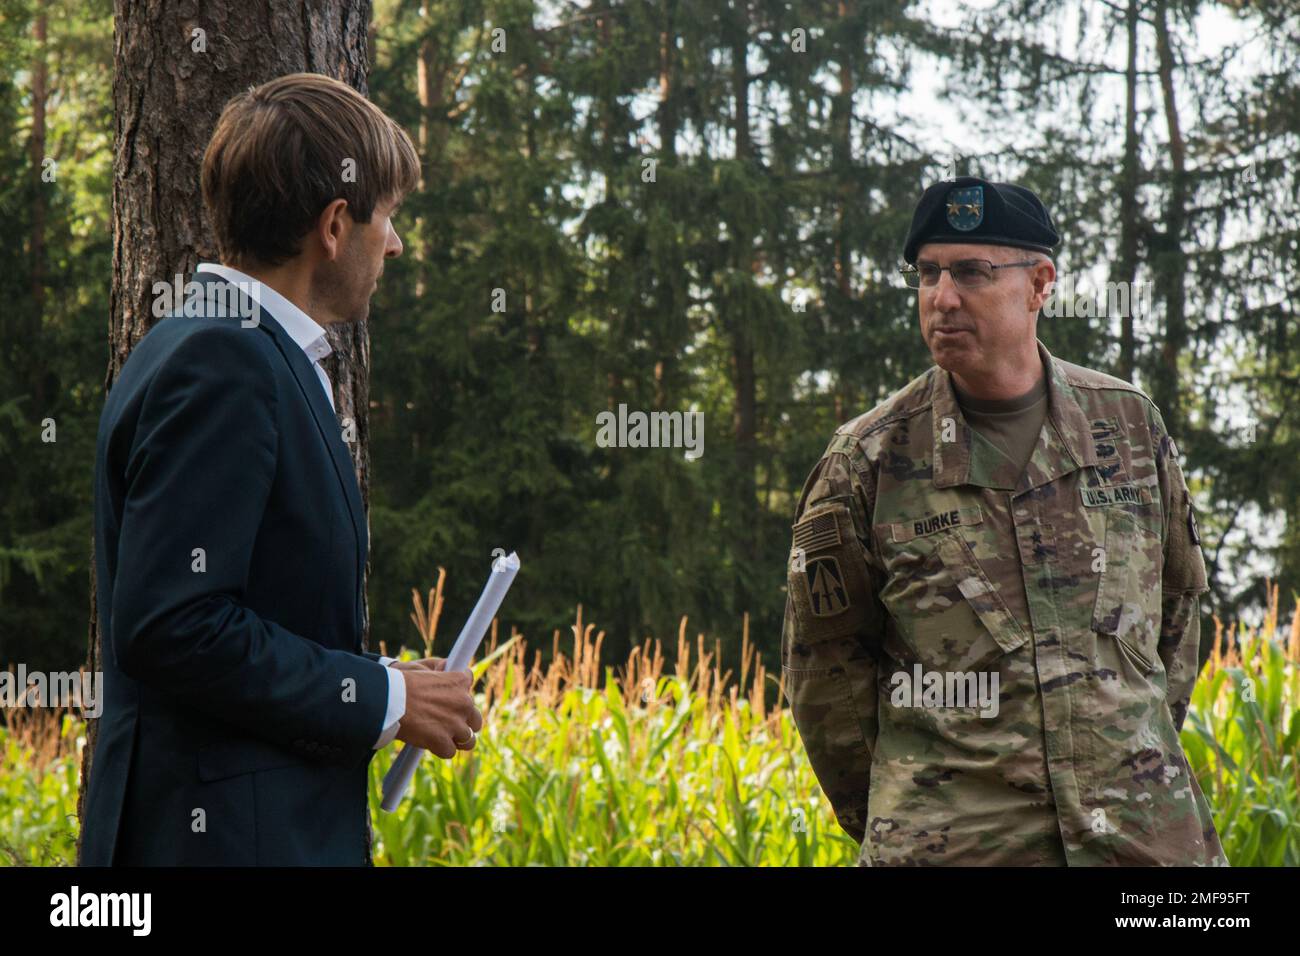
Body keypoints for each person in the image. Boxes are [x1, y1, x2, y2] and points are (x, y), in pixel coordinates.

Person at [82, 73, 481, 866]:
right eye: (388, 218)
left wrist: (377, 678)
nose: (395, 244)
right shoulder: (226, 360)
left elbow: (245, 609)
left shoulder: (209, 343)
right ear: (335, 225)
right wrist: (387, 699)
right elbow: (173, 625)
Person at [781, 175, 1226, 866]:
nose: (943, 297)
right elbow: (826, 678)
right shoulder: (868, 461)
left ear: (1040, 283)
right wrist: (914, 813)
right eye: (928, 274)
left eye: (971, 272)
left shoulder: (1129, 426)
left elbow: (1177, 616)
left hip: (1142, 844)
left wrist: (1125, 761)